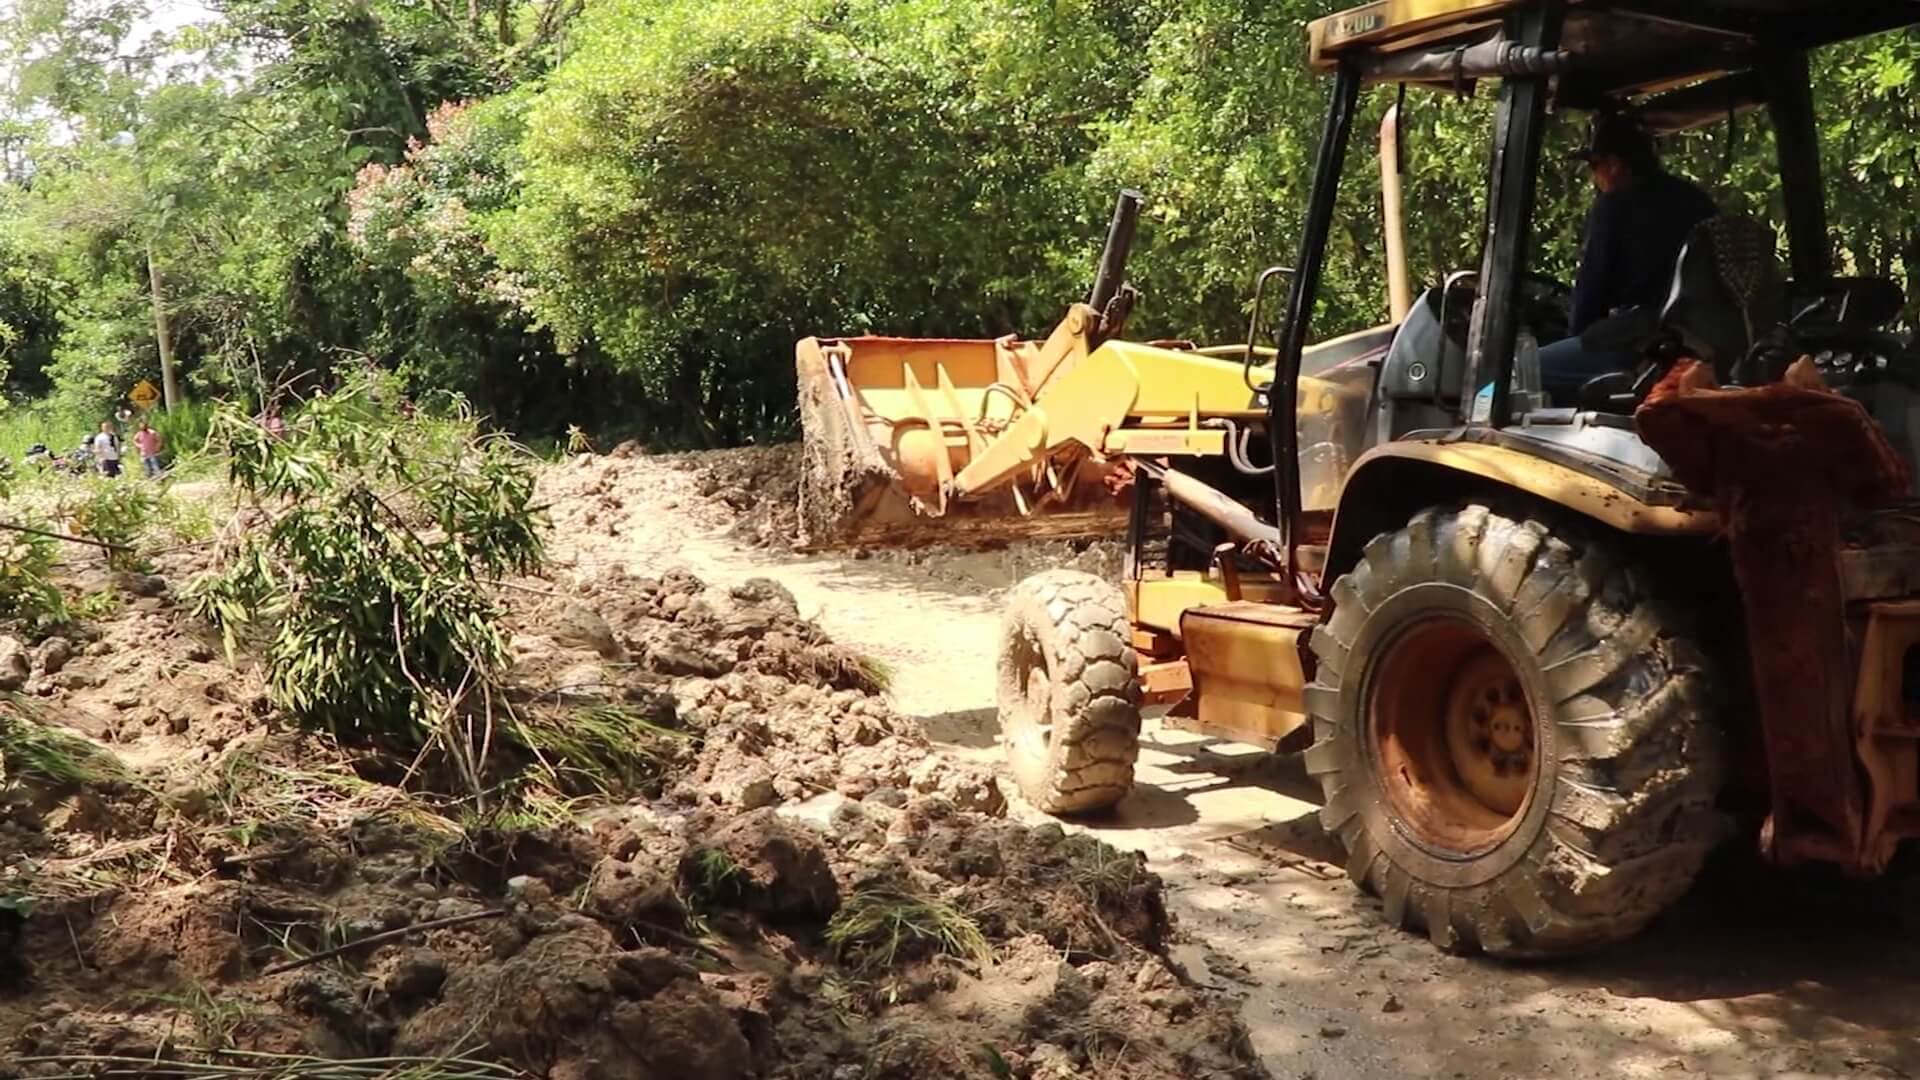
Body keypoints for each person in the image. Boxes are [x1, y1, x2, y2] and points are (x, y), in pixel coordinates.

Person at [1538, 112, 1718, 403]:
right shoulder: (1697, 200)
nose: (1593, 178)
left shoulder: (1614, 206)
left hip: (1644, 343)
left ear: (1614, 164)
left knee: (1521, 372)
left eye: (1594, 166)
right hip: (1702, 339)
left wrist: (1576, 336)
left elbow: (1590, 294)